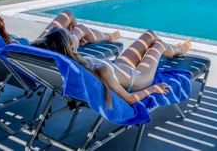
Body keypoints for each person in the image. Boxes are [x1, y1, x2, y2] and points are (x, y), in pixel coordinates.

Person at [32, 27, 192, 104]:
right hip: (137, 78)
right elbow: (129, 99)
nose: (74, 34)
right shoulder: (99, 70)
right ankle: (180, 50)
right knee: (157, 45)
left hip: (120, 68)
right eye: (71, 35)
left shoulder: (71, 64)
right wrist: (152, 89)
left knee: (149, 35)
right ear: (70, 47)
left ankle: (178, 48)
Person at [0, 10, 120, 49]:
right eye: (2, 21)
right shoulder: (10, 47)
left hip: (39, 44)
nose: (4, 22)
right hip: (53, 48)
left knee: (67, 14)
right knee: (82, 28)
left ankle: (79, 40)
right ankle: (108, 37)